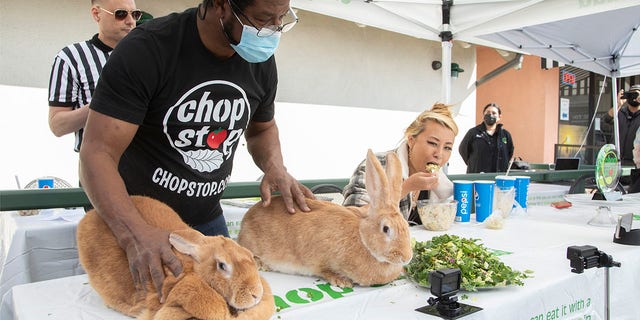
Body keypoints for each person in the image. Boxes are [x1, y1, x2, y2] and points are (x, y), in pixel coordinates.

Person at [79, 0, 313, 303]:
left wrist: (275, 167)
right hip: (140, 224)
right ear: (220, 5)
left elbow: (262, 128)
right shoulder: (148, 50)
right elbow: (97, 153)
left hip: (206, 221)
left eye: (282, 20)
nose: (273, 31)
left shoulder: (260, 63)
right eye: (263, 19)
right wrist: (133, 233)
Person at [48, 0, 141, 152]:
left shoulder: (148, 56)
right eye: (121, 14)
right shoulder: (72, 57)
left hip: (147, 167)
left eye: (135, 14)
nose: (130, 21)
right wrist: (103, 102)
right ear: (97, 14)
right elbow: (58, 125)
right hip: (97, 164)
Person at [342, 103, 458, 225]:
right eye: (433, 143)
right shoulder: (376, 167)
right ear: (411, 140)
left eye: (447, 148)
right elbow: (352, 220)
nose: (439, 154)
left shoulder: (441, 184)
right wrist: (406, 187)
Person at [459, 103, 514, 173]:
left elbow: (509, 152)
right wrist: (473, 164)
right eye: (488, 112)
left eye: (494, 113)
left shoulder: (505, 135)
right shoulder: (473, 132)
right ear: (484, 115)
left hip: (498, 177)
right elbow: (463, 149)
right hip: (478, 176)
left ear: (499, 117)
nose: (490, 115)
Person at [602, 85, 640, 168]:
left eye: (637, 95)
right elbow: (605, 122)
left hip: (635, 164)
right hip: (614, 162)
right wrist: (618, 105)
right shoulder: (619, 112)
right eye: (632, 94)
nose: (635, 97)